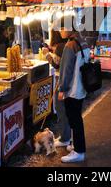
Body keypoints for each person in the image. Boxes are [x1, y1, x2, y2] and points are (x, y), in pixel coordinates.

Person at [57, 21, 90, 163]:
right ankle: (76, 145)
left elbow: (66, 70)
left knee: (75, 120)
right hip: (82, 87)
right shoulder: (82, 41)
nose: (60, 31)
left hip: (73, 89)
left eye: (62, 28)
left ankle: (79, 151)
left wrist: (62, 89)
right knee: (76, 118)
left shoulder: (70, 45)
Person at [43, 28, 72, 149]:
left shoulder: (61, 46)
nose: (61, 31)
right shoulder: (66, 44)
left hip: (61, 81)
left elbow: (56, 64)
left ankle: (65, 138)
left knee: (61, 110)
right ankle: (66, 137)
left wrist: (46, 55)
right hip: (68, 82)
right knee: (67, 112)